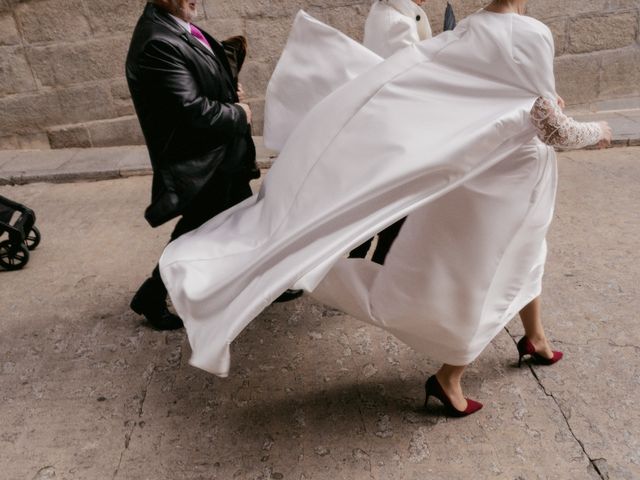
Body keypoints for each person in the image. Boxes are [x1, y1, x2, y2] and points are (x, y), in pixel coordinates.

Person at [158, 0, 612, 418]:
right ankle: (448, 378)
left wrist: (543, 104)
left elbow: (509, 99)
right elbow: (553, 128)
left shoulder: (474, 26)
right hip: (514, 179)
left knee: (527, 254)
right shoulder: (531, 33)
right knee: (490, 275)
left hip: (489, 174)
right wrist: (599, 130)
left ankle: (536, 338)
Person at [125, 0, 300, 330]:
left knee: (250, 220)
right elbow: (190, 109)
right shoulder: (156, 42)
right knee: (194, 232)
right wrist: (239, 113)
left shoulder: (175, 24)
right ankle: (151, 295)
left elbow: (201, 69)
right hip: (203, 162)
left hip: (220, 156)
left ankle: (265, 284)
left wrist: (227, 84)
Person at [350, 0, 432, 264]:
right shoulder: (395, 21)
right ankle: (371, 268)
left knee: (386, 205)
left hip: (392, 124)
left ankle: (365, 263)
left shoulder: (392, 11)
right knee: (394, 206)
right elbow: (413, 74)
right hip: (397, 126)